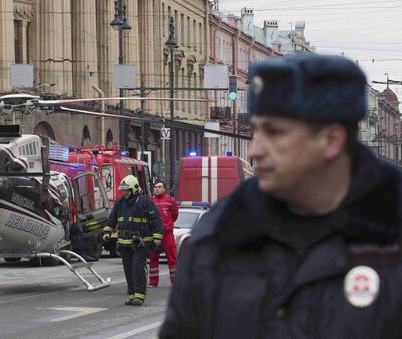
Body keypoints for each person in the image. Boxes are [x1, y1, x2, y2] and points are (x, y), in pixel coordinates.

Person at [160, 53, 402, 338]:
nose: (255, 150)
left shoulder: (390, 238)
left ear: (331, 139)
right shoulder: (219, 236)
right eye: (256, 131)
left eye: (274, 133)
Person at [103, 174, 163, 306]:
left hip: (140, 242)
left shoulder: (144, 202)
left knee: (137, 267)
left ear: (134, 189)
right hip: (124, 242)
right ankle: (131, 294)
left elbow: (156, 220)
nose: (124, 192)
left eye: (127, 190)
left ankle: (139, 296)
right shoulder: (120, 202)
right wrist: (107, 231)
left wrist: (158, 237)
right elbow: (112, 218)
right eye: (123, 190)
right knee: (128, 268)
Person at [148, 180, 179, 287]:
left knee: (172, 259)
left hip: (167, 234)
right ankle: (153, 282)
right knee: (153, 259)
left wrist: (167, 226)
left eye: (159, 187)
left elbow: (174, 215)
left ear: (164, 188)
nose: (157, 188)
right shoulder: (150, 200)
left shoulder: (171, 201)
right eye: (155, 187)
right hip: (154, 234)